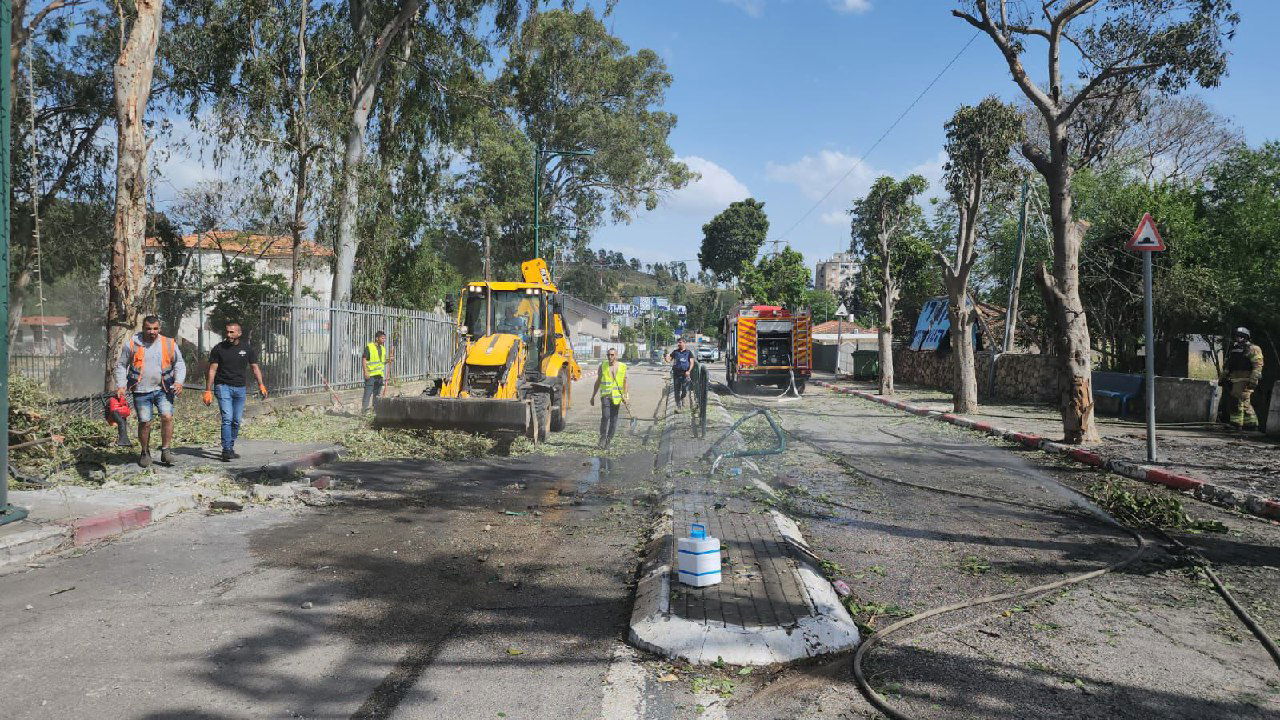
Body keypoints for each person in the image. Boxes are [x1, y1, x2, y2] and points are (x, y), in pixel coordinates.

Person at [113, 315, 185, 467]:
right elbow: (121, 365)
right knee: (145, 422)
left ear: (159, 328)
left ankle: (166, 450)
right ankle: (145, 452)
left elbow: (179, 363)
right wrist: (121, 385)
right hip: (141, 390)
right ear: (143, 328)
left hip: (164, 388)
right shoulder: (132, 344)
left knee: (167, 416)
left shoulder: (168, 343)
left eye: (155, 329)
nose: (152, 332)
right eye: (148, 329)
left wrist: (179, 382)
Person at [202, 322, 267, 461]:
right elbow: (212, 369)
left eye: (232, 332)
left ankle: (230, 446)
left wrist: (261, 385)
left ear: (239, 333)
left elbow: (255, 368)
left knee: (236, 421)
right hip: (222, 386)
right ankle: (226, 450)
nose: (229, 335)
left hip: (240, 388)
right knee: (227, 418)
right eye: (227, 332)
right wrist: (208, 390)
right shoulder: (219, 348)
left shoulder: (247, 349)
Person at [1222, 326, 1264, 430]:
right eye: (1237, 336)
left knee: (1236, 400)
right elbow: (1229, 365)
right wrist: (1223, 377)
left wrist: (1253, 379)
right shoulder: (1235, 349)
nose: (1238, 338)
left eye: (1241, 336)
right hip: (1234, 379)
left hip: (1245, 379)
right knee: (1244, 402)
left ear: (1246, 337)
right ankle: (1251, 424)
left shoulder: (1253, 349)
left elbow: (1258, 365)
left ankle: (1236, 424)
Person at [590, 347, 629, 450]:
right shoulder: (603, 366)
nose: (610, 357)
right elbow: (598, 381)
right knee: (605, 416)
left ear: (616, 355)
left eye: (612, 355)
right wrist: (593, 396)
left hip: (616, 397)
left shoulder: (623, 367)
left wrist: (625, 396)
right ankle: (602, 437)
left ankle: (608, 440)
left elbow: (625, 382)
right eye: (608, 355)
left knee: (614, 419)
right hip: (605, 396)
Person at [362, 330, 393, 413]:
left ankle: (374, 411)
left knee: (377, 394)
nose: (384, 340)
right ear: (377, 338)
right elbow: (364, 359)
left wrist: (389, 360)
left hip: (379, 375)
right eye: (382, 338)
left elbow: (382, 362)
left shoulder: (383, 349)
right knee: (368, 394)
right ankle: (363, 412)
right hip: (370, 375)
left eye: (385, 338)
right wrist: (365, 372)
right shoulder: (369, 347)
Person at [666, 337, 696, 412]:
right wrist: (666, 357)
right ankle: (678, 406)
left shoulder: (689, 352)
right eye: (678, 342)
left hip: (685, 374)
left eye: (680, 342)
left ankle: (683, 402)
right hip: (676, 374)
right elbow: (669, 360)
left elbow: (692, 363)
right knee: (676, 391)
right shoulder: (675, 352)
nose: (678, 344)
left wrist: (689, 371)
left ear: (684, 343)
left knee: (685, 390)